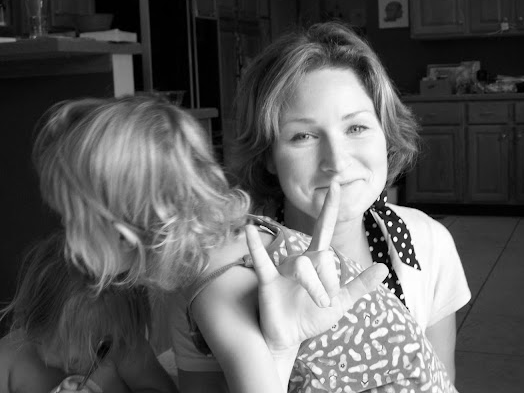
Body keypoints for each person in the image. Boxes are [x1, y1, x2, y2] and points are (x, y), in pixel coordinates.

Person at [32, 95, 443, 393]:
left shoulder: (218, 288)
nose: (67, 243)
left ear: (123, 232)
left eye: (70, 221)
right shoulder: (229, 244)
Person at [230, 21, 471, 383]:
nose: (337, 162)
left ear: (386, 133)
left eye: (356, 128)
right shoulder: (227, 271)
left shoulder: (428, 242)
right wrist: (278, 352)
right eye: (303, 136)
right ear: (267, 155)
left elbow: (438, 383)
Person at [0, 233, 178, 393]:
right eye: (58, 347)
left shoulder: (124, 346)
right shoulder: (8, 359)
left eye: (97, 350)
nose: (70, 363)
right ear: (33, 325)